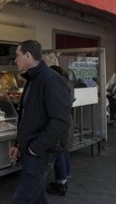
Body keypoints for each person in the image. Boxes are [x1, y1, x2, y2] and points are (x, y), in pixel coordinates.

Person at [9, 40, 71, 204]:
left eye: (17, 55)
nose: (15, 60)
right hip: (31, 149)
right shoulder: (32, 79)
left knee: (21, 199)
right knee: (37, 198)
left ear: (28, 56)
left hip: (40, 152)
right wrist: (18, 145)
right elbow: (28, 117)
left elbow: (61, 121)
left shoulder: (51, 79)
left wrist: (35, 148)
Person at [46, 65, 75, 196]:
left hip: (60, 121)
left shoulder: (59, 85)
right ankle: (65, 177)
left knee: (58, 152)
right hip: (67, 119)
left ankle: (60, 183)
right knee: (65, 149)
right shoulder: (68, 83)